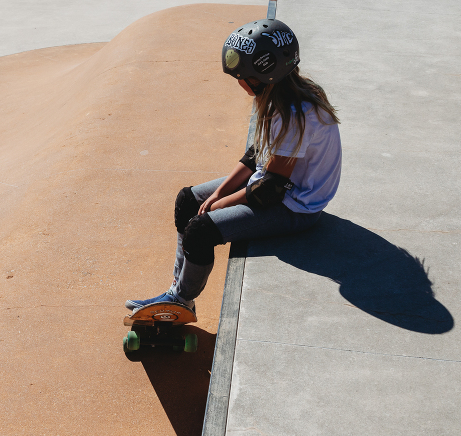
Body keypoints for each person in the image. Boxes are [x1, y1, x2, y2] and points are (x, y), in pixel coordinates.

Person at [126, 18, 342, 312]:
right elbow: (256, 156)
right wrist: (217, 195)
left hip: (296, 206)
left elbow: (271, 188)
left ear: (262, 75)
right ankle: (177, 291)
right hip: (274, 184)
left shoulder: (294, 115)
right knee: (188, 200)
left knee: (201, 231)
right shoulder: (279, 93)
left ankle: (181, 300)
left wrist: (221, 204)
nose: (239, 83)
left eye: (242, 76)